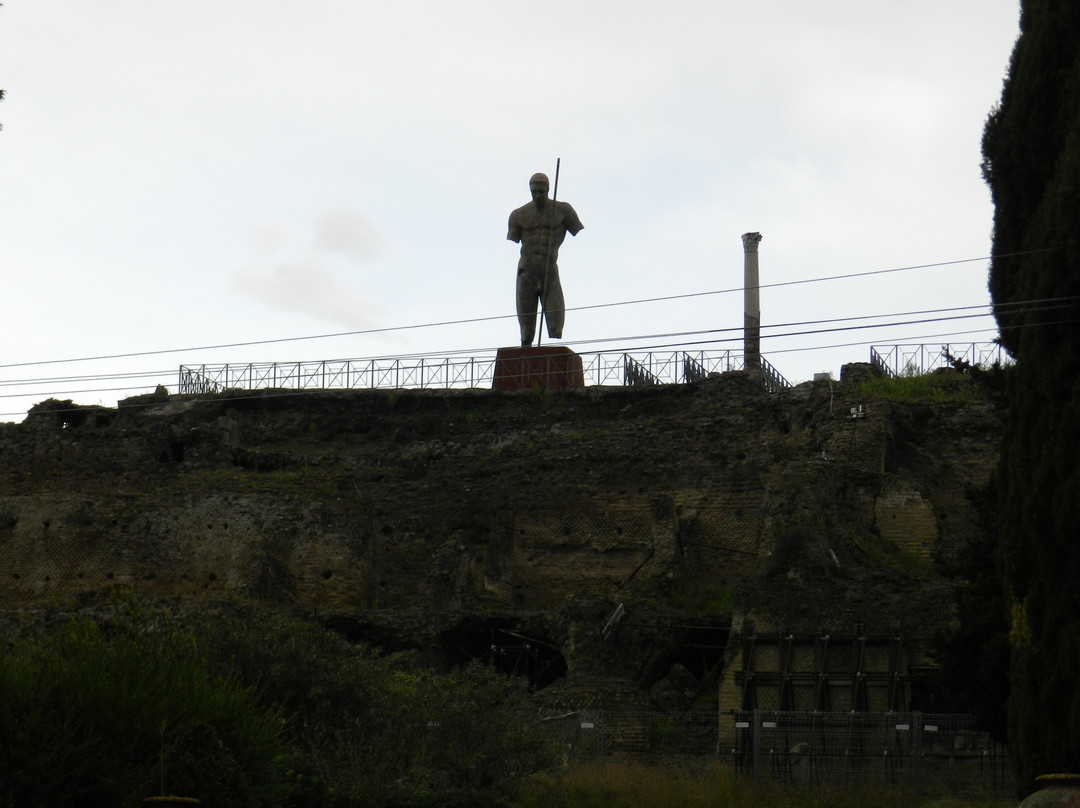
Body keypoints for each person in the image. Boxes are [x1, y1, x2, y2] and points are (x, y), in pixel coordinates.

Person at [506, 173, 584, 347]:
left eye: (541, 191)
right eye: (534, 192)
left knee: (556, 323)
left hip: (549, 269)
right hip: (526, 271)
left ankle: (552, 356)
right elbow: (514, 237)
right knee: (526, 331)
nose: (538, 195)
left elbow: (576, 228)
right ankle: (526, 356)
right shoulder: (518, 215)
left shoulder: (563, 210)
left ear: (548, 189)